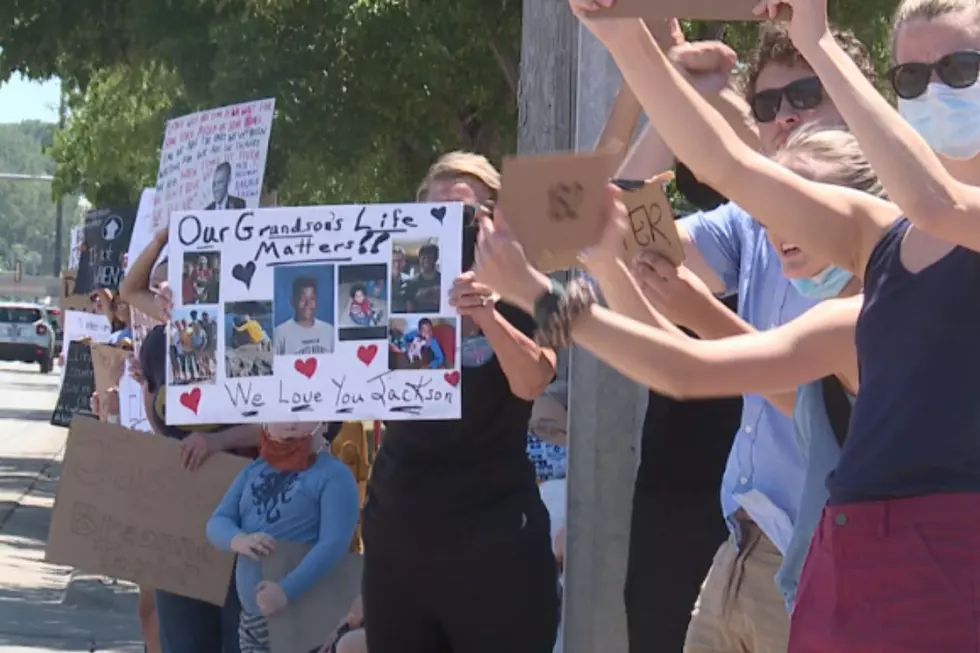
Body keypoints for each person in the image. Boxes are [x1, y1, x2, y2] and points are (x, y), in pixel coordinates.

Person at [611, 16, 877, 652]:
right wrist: (665, 95)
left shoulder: (890, 233)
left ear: (856, 97)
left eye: (806, 96)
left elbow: (809, 399)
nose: (784, 117)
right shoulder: (750, 222)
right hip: (741, 541)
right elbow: (626, 232)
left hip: (833, 557)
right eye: (766, 103)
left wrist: (700, 316)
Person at [361, 151, 560, 653]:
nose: (455, 229)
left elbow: (533, 380)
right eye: (440, 214)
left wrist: (488, 316)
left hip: (497, 545)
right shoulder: (381, 287)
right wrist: (192, 310)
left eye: (470, 215)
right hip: (400, 542)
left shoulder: (529, 288)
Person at [121, 226, 264, 653]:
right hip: (182, 504)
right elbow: (130, 288)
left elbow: (280, 424)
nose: (171, 290)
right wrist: (164, 236)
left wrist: (216, 443)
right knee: (181, 633)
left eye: (188, 278)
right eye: (168, 282)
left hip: (243, 503)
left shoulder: (250, 333)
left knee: (237, 632)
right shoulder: (161, 341)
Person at [206, 421, 359, 653]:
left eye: (303, 412)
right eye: (281, 413)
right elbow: (217, 522)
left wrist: (286, 591)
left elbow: (333, 545)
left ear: (325, 422)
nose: (291, 423)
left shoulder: (335, 475)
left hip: (304, 616)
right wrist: (239, 540)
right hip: (251, 620)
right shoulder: (254, 470)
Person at [274, 276, 335, 355]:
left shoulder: (329, 331)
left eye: (312, 299)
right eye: (302, 299)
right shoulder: (280, 333)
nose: (307, 304)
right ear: (293, 301)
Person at [404, 243, 441, 313]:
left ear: (435, 259)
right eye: (423, 257)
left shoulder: (443, 280)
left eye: (429, 257)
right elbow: (409, 309)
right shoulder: (411, 282)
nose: (426, 260)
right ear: (419, 259)